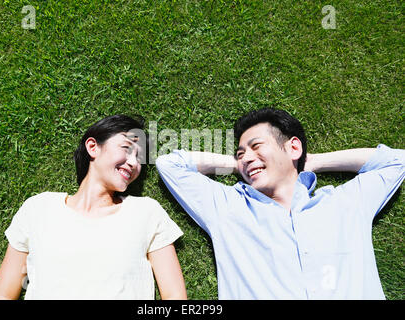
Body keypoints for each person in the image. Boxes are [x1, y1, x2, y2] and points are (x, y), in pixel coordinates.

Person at [156, 107, 404, 299]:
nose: (246, 158)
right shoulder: (228, 208)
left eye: (256, 146)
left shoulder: (346, 203)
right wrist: (244, 165)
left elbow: (396, 161)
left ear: (293, 147)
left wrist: (311, 160)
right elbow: (170, 165)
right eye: (241, 153)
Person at [0, 115, 187, 300]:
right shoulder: (38, 209)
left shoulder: (147, 212)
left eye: (139, 158)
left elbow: (174, 296)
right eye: (127, 149)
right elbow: (3, 294)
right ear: (93, 147)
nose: (134, 163)